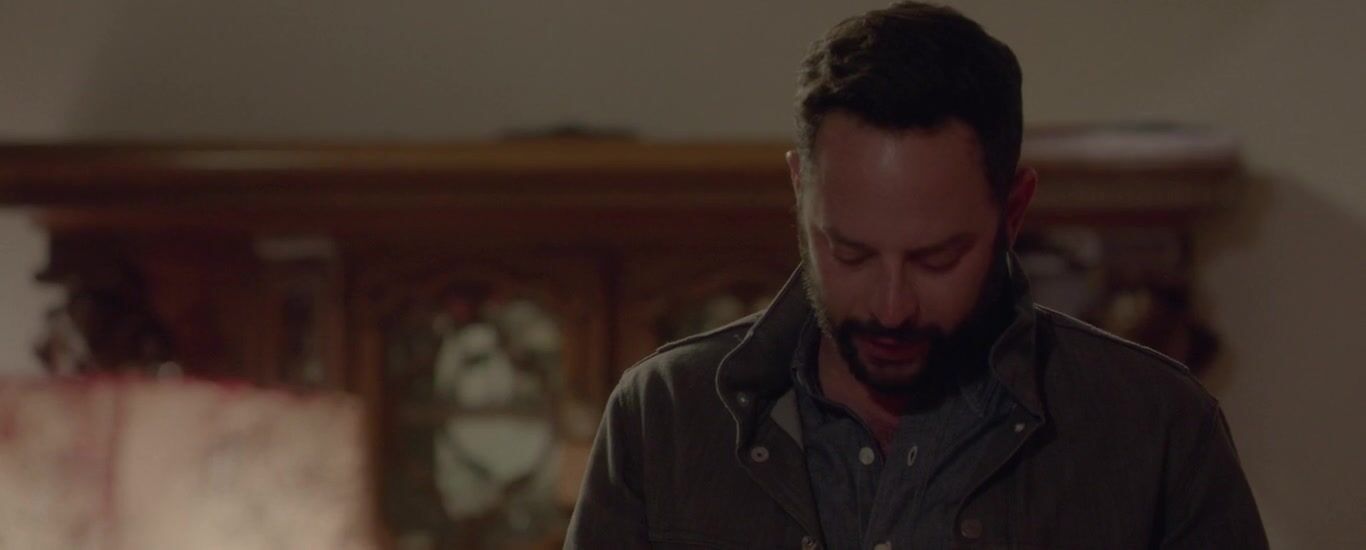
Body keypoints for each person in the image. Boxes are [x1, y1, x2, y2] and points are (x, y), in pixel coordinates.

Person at [565, 2, 1267, 548]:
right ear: (799, 191)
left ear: (1013, 212)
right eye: (850, 253)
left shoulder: (1157, 428)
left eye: (937, 259)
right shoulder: (663, 414)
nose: (892, 307)